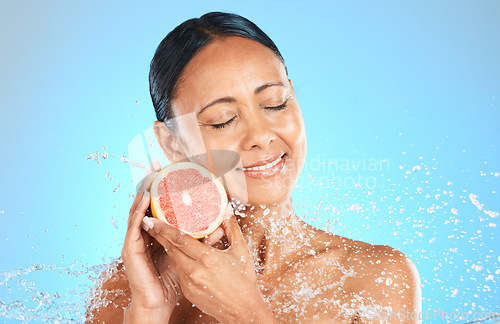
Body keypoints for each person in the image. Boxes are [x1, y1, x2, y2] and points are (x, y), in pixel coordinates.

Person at [86, 11, 421, 323]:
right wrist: (150, 311)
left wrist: (247, 312)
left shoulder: (376, 278)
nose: (260, 136)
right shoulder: (129, 293)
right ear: (173, 143)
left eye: (275, 103)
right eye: (223, 120)